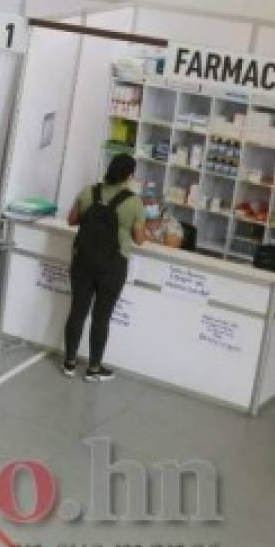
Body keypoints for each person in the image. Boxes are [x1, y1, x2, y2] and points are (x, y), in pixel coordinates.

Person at [62, 153, 146, 382]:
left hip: (83, 261)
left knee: (78, 310)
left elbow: (71, 220)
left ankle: (69, 363)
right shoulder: (134, 202)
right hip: (112, 265)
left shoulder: (89, 191)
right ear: (130, 176)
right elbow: (139, 239)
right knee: (101, 317)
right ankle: (94, 369)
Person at [141, 184, 183, 248]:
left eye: (151, 204)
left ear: (161, 204)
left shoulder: (171, 223)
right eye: (144, 204)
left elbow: (170, 249)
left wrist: (143, 238)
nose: (146, 207)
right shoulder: (137, 218)